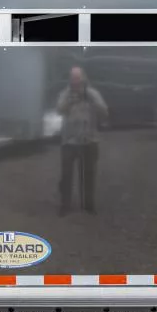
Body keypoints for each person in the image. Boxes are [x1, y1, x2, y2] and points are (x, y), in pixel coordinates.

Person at [56, 66, 108, 216]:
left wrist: (90, 99)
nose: (75, 81)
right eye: (73, 78)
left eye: (78, 78)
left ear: (84, 78)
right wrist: (70, 101)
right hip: (69, 141)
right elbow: (59, 110)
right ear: (70, 79)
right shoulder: (65, 94)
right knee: (66, 176)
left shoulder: (93, 94)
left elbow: (104, 112)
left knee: (89, 175)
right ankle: (65, 205)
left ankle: (88, 205)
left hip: (89, 140)